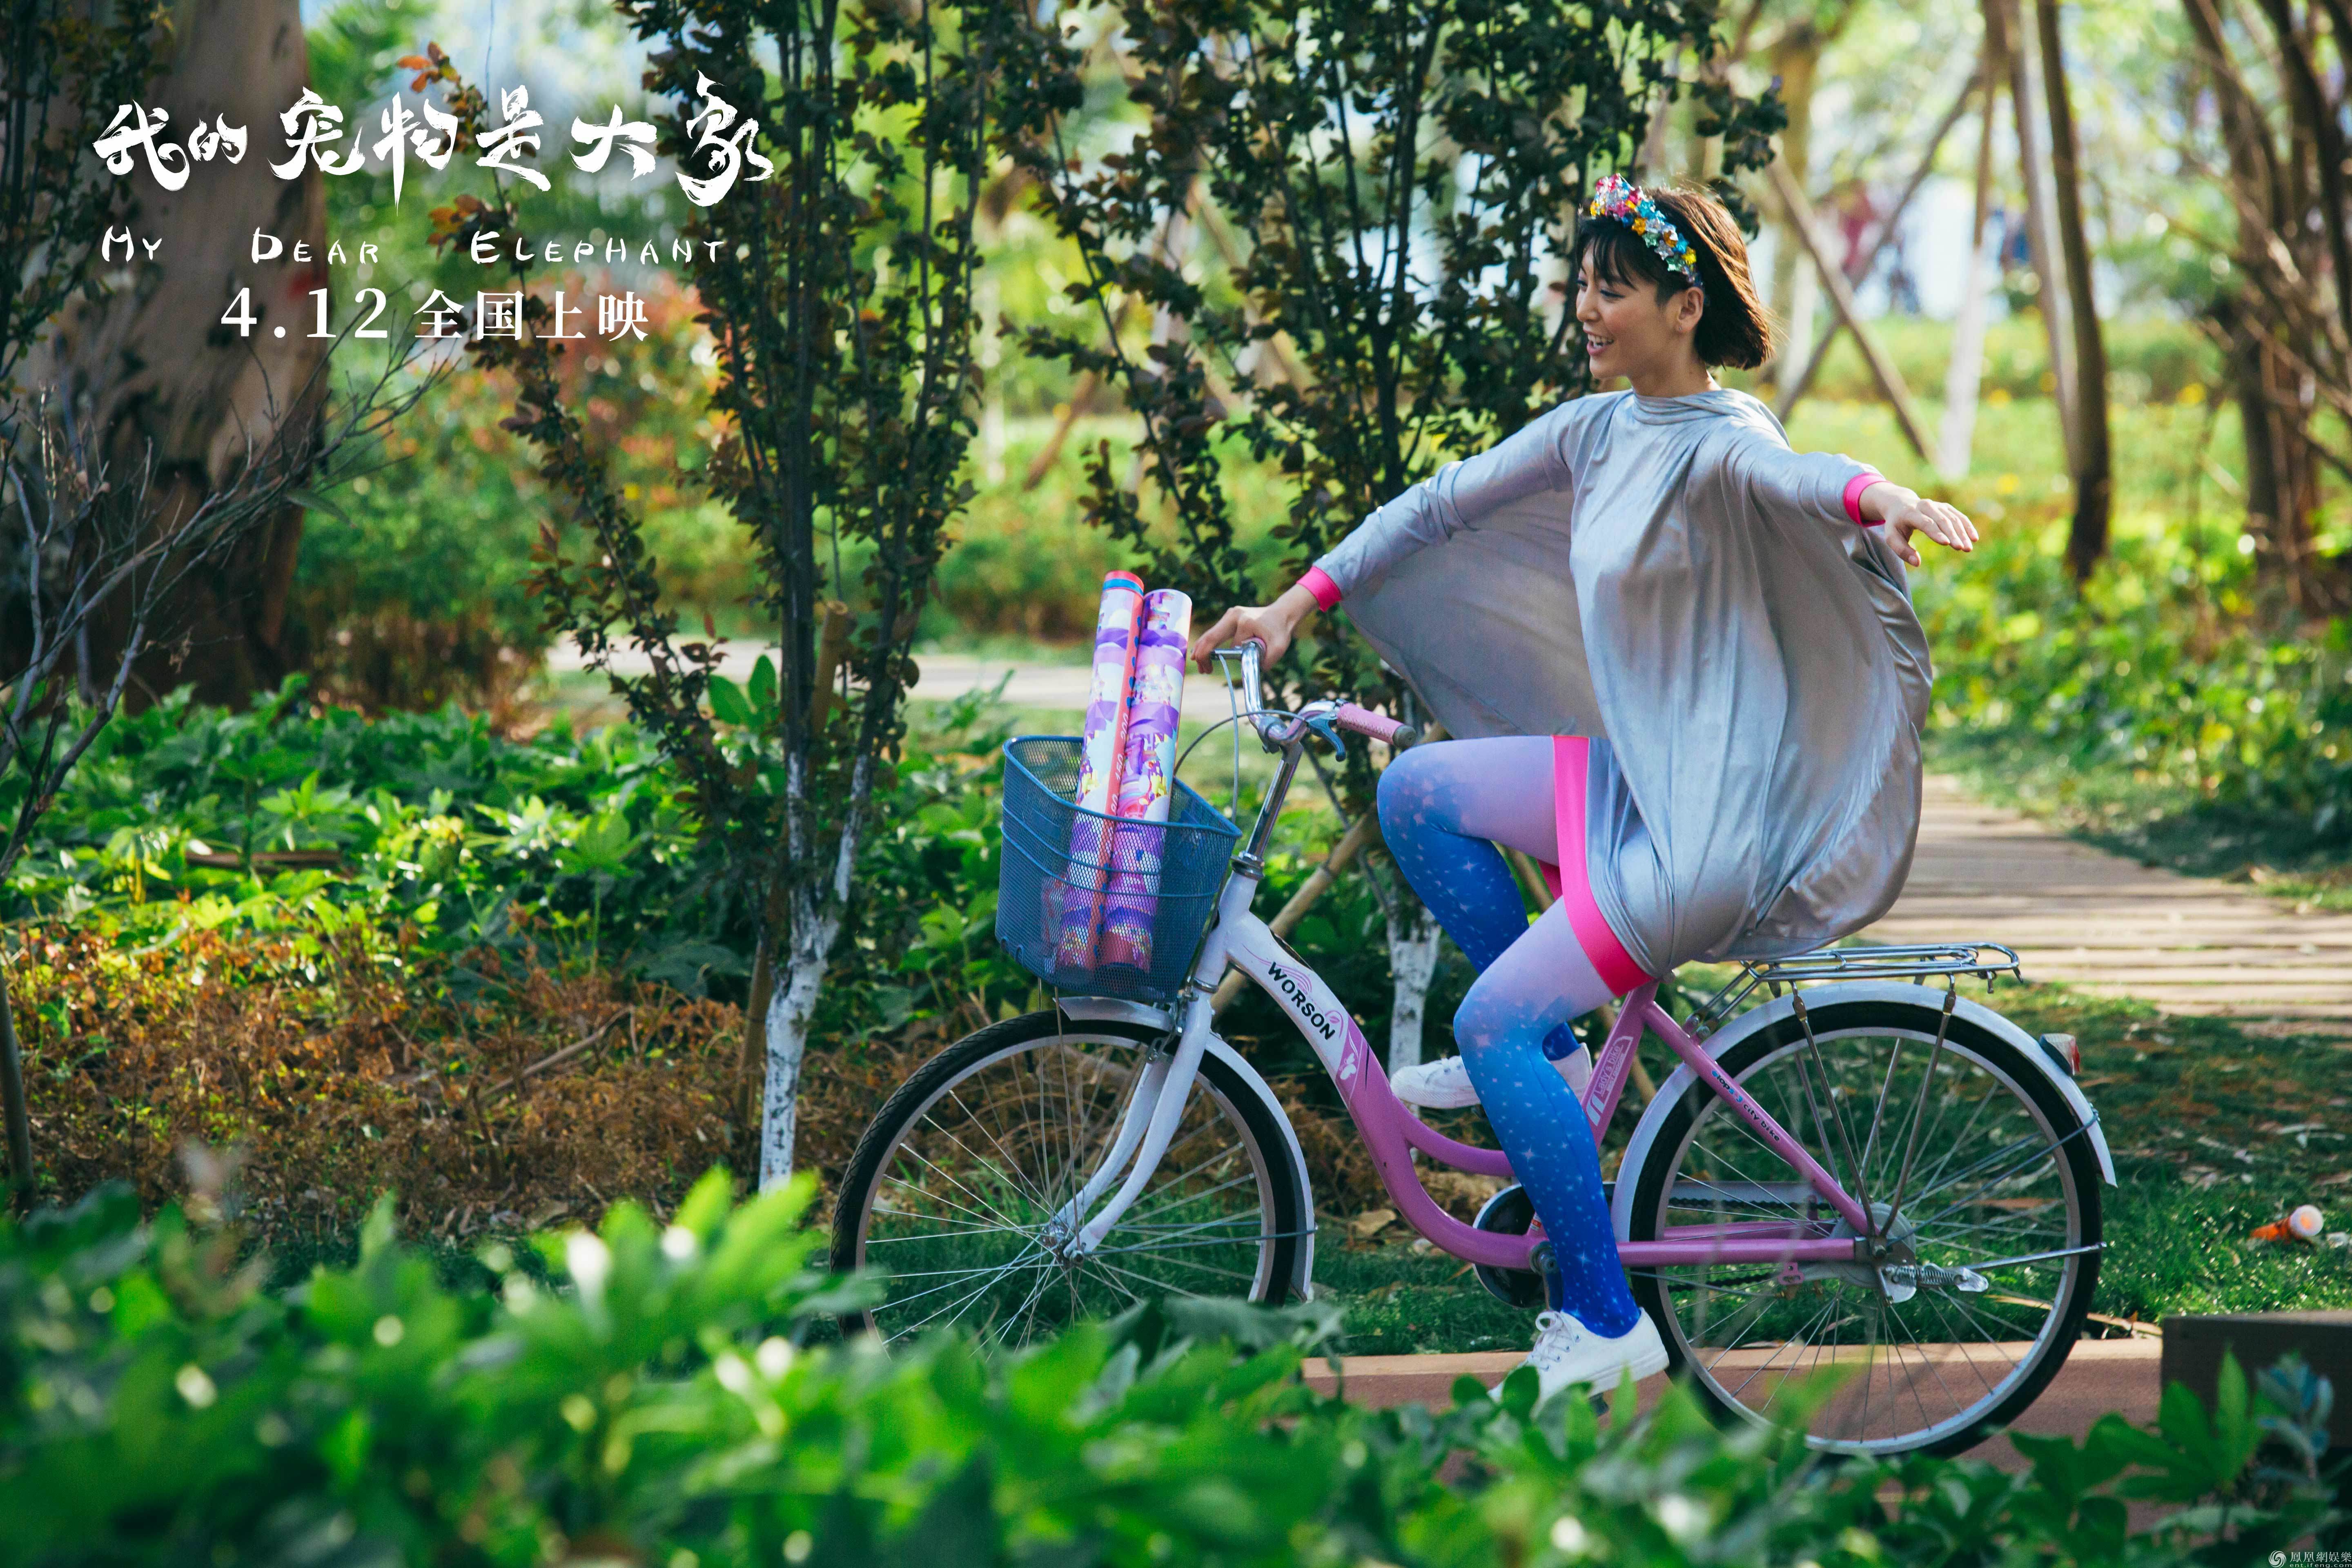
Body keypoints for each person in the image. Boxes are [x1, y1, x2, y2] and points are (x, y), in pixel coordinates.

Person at [1188, 175, 1978, 1405]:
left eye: (1613, 289)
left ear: (1682, 302)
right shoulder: (1597, 430)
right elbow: (1438, 504)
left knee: (1481, 1025)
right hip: (1634, 784)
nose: (1587, 309)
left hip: (1703, 835)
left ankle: (1607, 1319)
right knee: (1419, 793)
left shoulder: (1726, 442)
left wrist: (1888, 499)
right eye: (1585, 285)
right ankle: (1555, 1061)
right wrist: (1295, 607)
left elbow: (1811, 477)